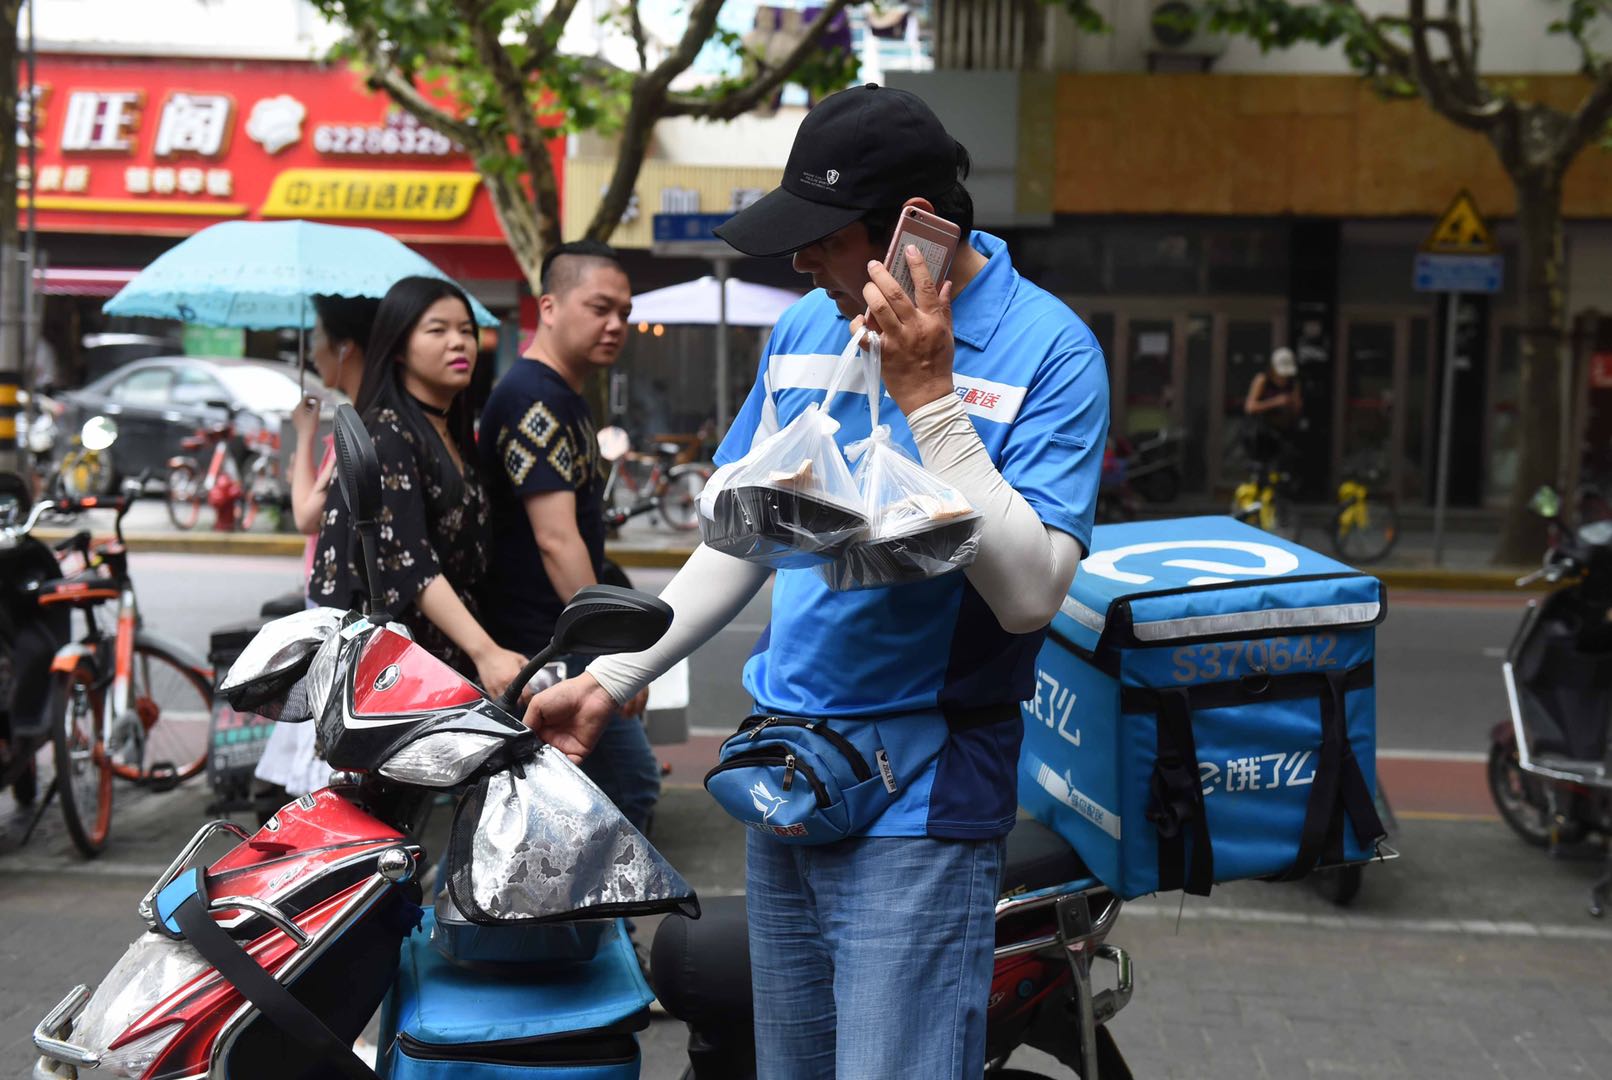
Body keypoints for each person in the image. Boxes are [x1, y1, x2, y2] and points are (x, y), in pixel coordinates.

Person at [524, 85, 1108, 1078]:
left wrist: (930, 401)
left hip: (921, 797)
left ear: (916, 232)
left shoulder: (1049, 350)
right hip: (789, 772)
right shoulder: (806, 330)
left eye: (823, 240)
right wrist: (611, 680)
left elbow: (1028, 598)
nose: (799, 264)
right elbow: (744, 539)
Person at [478, 240, 660, 833]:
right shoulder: (535, 397)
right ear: (549, 307)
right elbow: (556, 539)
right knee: (624, 787)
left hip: (554, 638)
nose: (616, 325)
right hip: (544, 644)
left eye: (624, 313)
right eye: (600, 308)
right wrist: (610, 653)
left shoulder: (561, 394)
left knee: (548, 806)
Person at [309, 275, 526, 696]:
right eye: (437, 330)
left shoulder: (449, 431)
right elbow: (410, 563)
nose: (459, 343)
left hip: (447, 662)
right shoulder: (387, 433)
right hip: (404, 674)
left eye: (466, 331)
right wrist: (486, 652)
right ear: (399, 348)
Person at [254, 293, 379, 800]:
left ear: (346, 348)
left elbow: (306, 515)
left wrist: (304, 434)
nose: (316, 354)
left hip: (336, 602)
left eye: (320, 340)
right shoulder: (359, 416)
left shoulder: (358, 422)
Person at [1243, 345, 1304, 471]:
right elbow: (1250, 407)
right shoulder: (1263, 380)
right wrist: (1275, 402)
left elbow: (1297, 409)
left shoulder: (1293, 383)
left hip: (1283, 433)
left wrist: (1294, 403)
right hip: (1262, 435)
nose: (1283, 378)